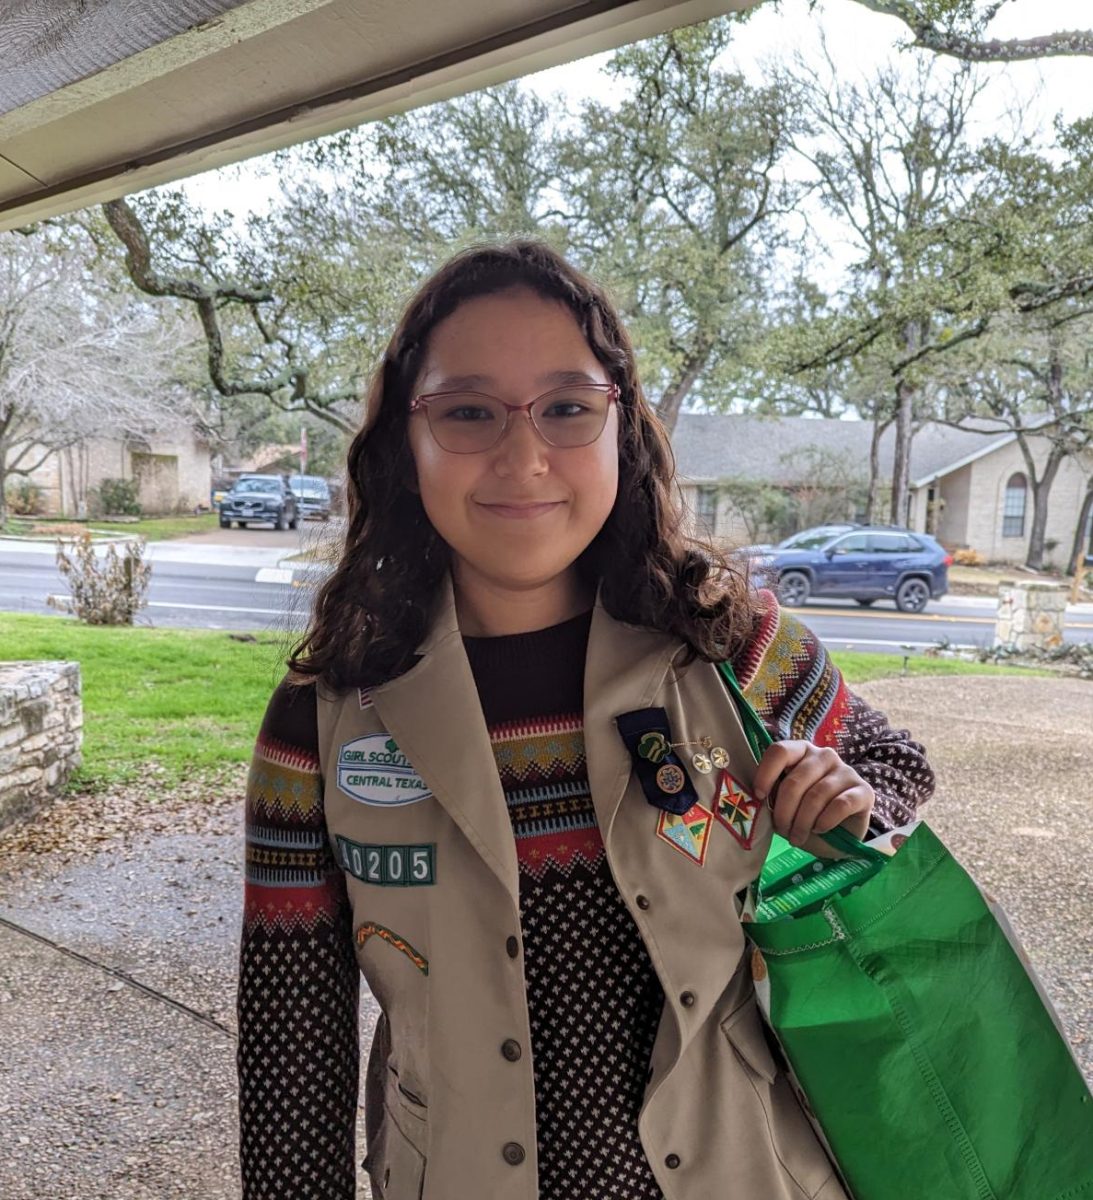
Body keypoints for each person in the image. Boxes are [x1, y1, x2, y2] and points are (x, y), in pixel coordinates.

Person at [236, 241, 935, 1200]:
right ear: (407, 442)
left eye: (566, 408)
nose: (523, 458)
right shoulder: (323, 719)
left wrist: (844, 802)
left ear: (622, 430)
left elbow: (892, 769)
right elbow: (290, 1036)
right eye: (468, 411)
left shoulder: (732, 648)